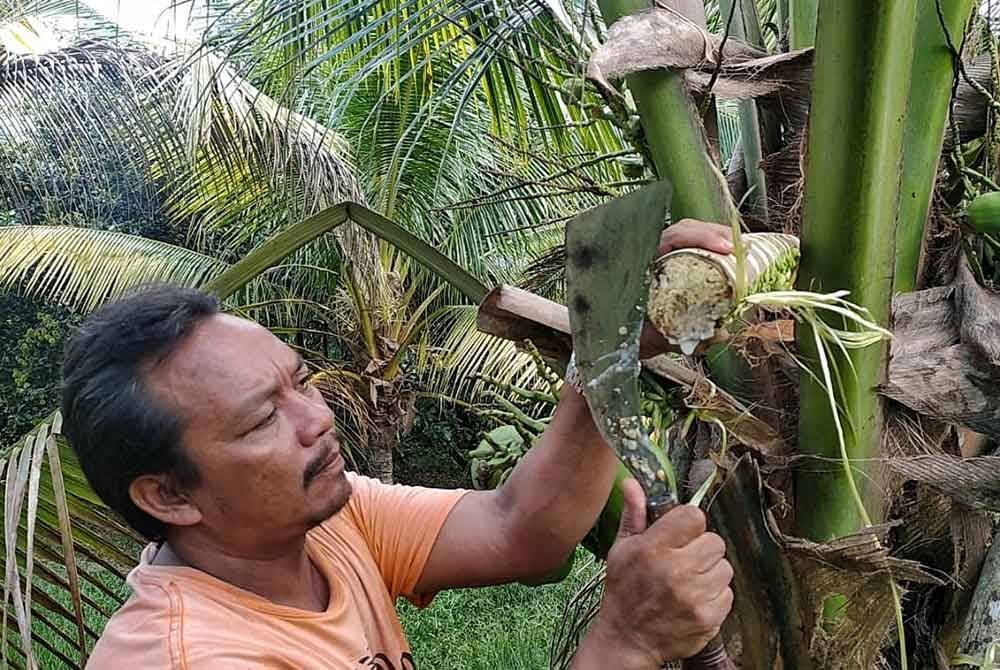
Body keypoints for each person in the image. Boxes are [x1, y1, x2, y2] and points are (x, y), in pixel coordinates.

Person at [61, 221, 736, 670]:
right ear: (168, 494)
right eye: (262, 420)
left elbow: (518, 529)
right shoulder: (187, 658)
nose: (316, 420)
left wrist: (614, 336)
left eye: (301, 382)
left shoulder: (316, 525)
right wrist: (626, 640)